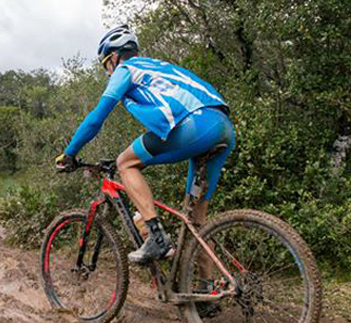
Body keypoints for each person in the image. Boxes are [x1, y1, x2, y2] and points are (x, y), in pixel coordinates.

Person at [55, 25, 235, 266]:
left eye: (106, 64)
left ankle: (157, 237)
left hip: (196, 124)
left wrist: (70, 153)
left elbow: (96, 118)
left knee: (125, 163)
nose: (108, 72)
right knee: (196, 223)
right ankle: (206, 292)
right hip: (223, 128)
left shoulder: (126, 69)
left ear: (114, 58)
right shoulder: (159, 67)